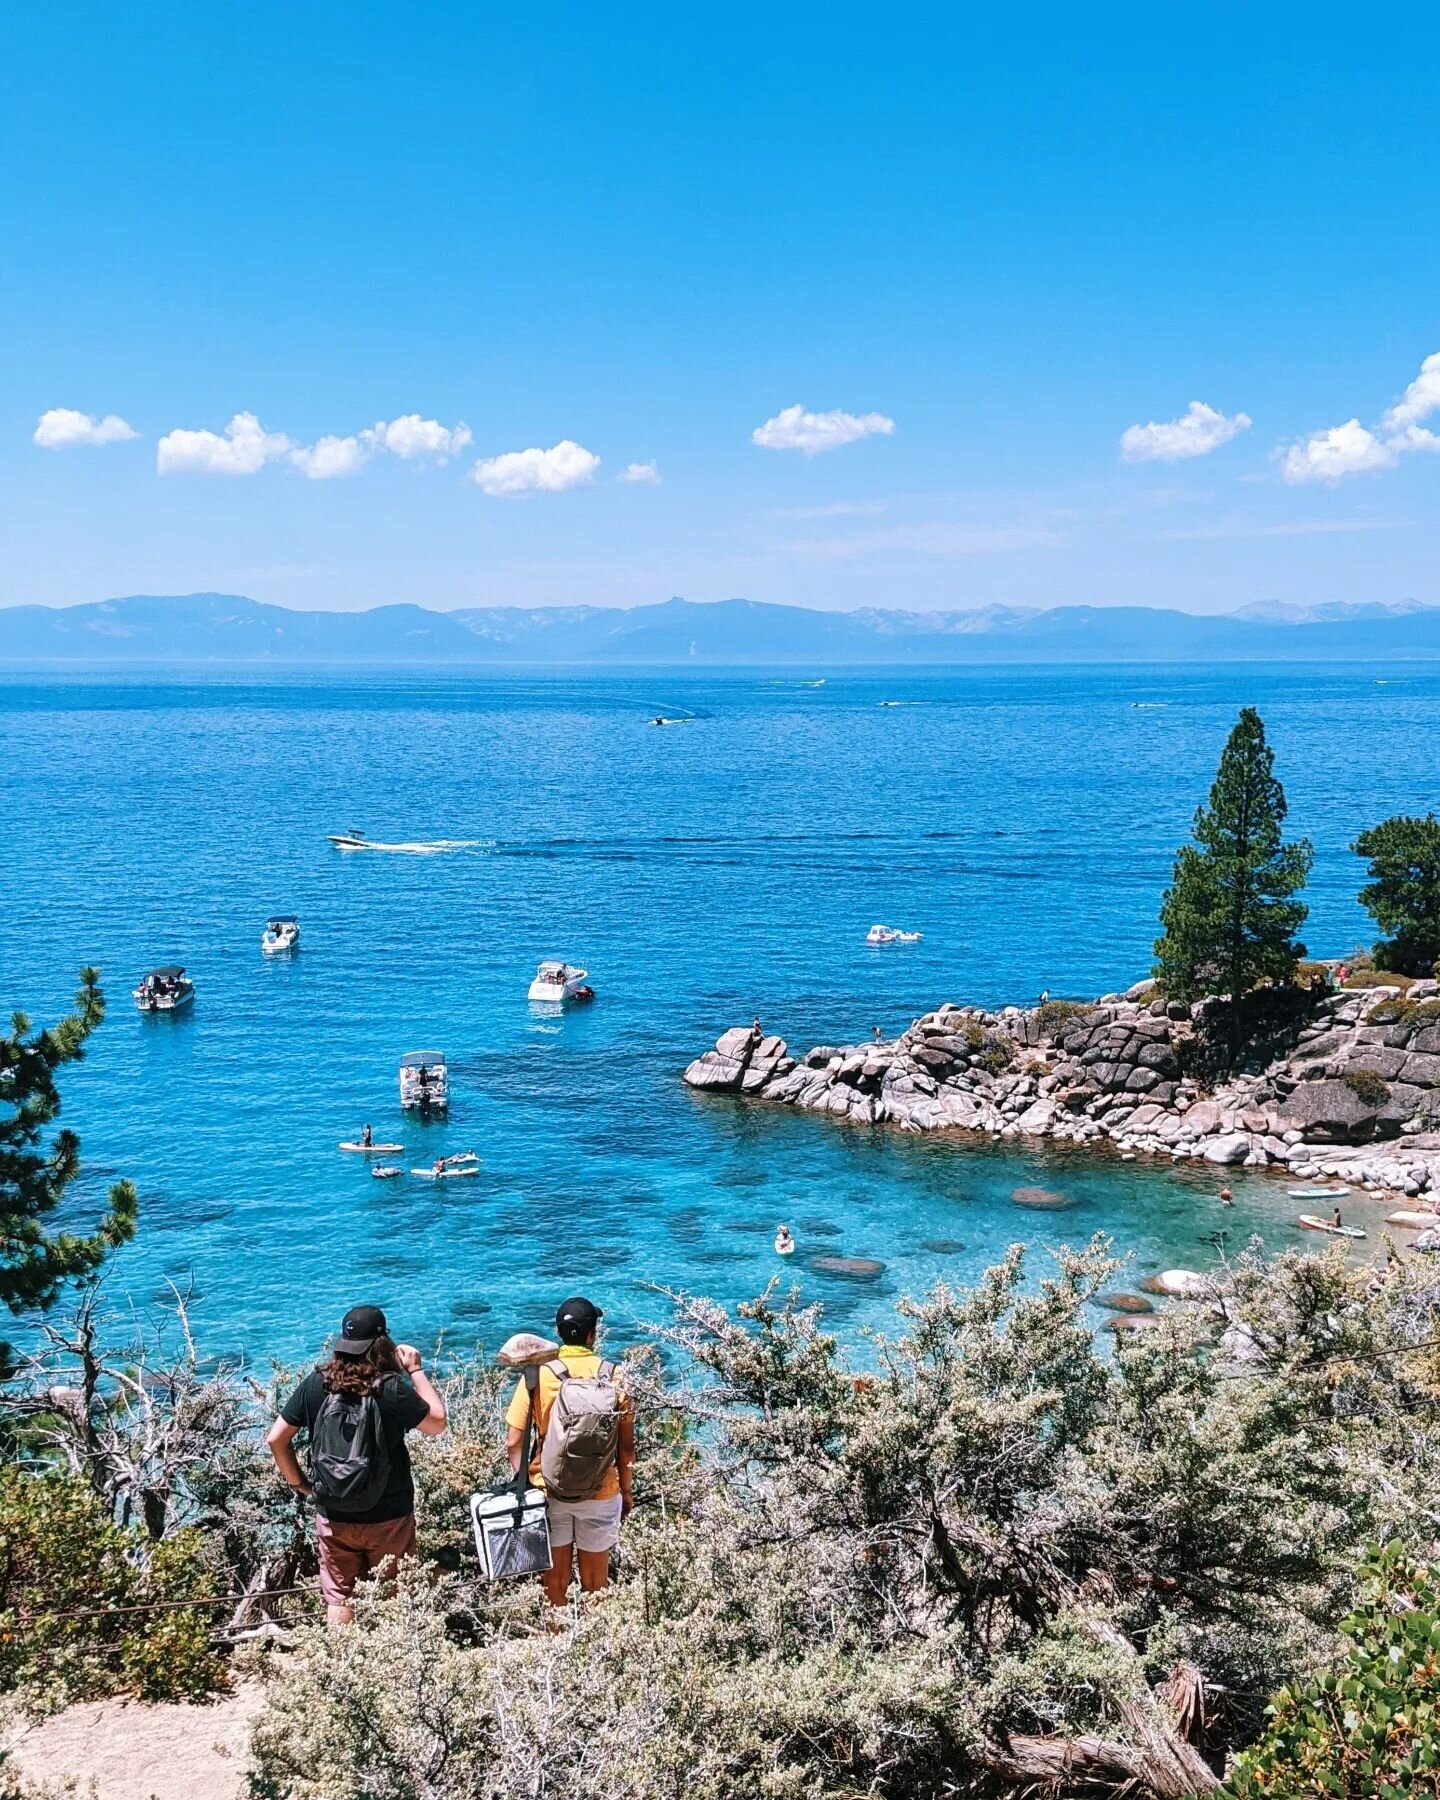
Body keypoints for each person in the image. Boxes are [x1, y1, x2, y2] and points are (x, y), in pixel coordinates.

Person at [267, 1305, 447, 1625]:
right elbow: (437, 1423)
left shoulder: (316, 1383)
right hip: (389, 1514)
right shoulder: (388, 1387)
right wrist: (416, 1370)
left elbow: (276, 1439)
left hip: (333, 1512)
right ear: (382, 1343)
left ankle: (344, 1666)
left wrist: (300, 1485)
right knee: (395, 1594)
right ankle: (391, 1667)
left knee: (340, 1596)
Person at [505, 1296, 634, 1608]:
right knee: (596, 1584)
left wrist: (526, 1482)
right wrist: (626, 1493)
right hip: (602, 1493)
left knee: (555, 1583)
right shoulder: (615, 1377)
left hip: (549, 1490)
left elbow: (513, 1441)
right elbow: (626, 1447)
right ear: (592, 1334)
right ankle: (597, 1647)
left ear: (559, 1334)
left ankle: (556, 1641)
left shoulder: (538, 1374)